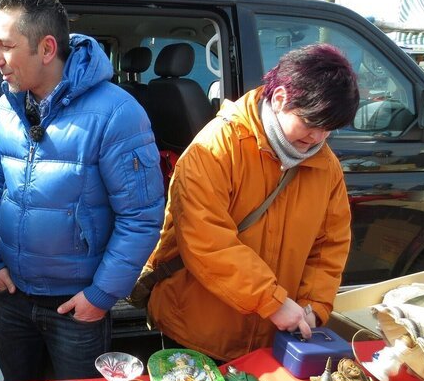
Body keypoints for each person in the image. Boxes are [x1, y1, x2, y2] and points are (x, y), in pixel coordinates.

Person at [0, 0, 165, 381]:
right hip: (13, 295)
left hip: (77, 305)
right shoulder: (6, 110)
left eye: (6, 46)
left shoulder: (117, 113)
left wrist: (101, 296)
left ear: (46, 49)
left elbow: (141, 217)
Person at [146, 43, 359, 363]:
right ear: (281, 98)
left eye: (328, 129)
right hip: (198, 332)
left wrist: (313, 307)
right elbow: (207, 243)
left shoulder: (325, 167)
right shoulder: (217, 148)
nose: (317, 138)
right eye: (310, 123)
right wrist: (271, 300)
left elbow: (330, 246)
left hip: (274, 337)